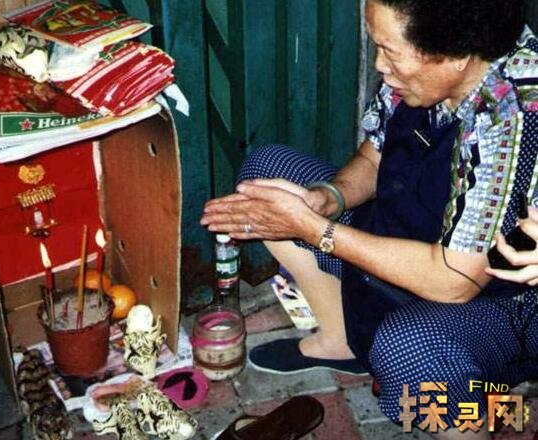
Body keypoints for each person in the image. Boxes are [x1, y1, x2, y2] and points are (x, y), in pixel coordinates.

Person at [201, 0, 538, 438]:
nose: (380, 65)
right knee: (267, 176)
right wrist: (328, 199)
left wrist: (315, 230)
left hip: (494, 301)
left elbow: (455, 281)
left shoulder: (513, 113)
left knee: (410, 351)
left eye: (390, 51)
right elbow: (376, 155)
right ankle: (341, 340)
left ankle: (470, 415)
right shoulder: (429, 64)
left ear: (456, 56)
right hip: (413, 231)